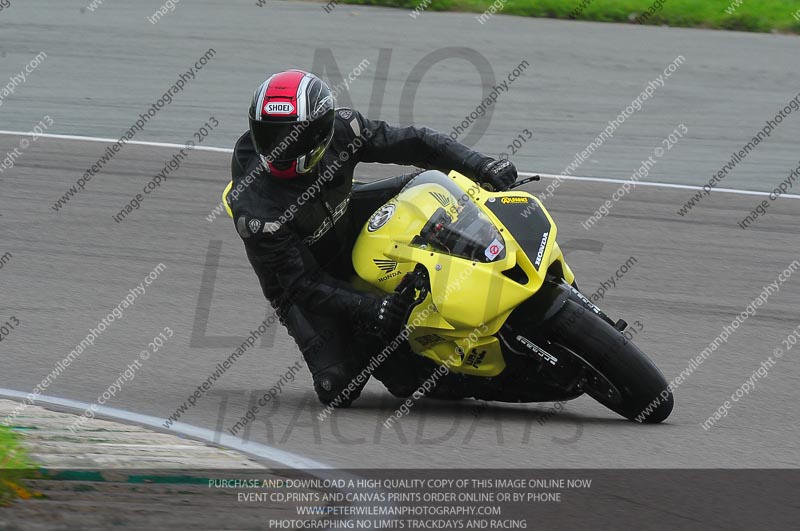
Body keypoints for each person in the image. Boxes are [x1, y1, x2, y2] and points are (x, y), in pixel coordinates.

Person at [228, 69, 517, 407]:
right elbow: (302, 285)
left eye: (291, 137)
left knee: (428, 186)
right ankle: (468, 372)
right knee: (339, 387)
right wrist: (372, 307)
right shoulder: (257, 211)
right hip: (302, 273)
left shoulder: (343, 128)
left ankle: (493, 252)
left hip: (343, 213)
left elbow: (415, 141)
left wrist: (481, 165)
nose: (279, 149)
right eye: (269, 136)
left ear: (322, 128)